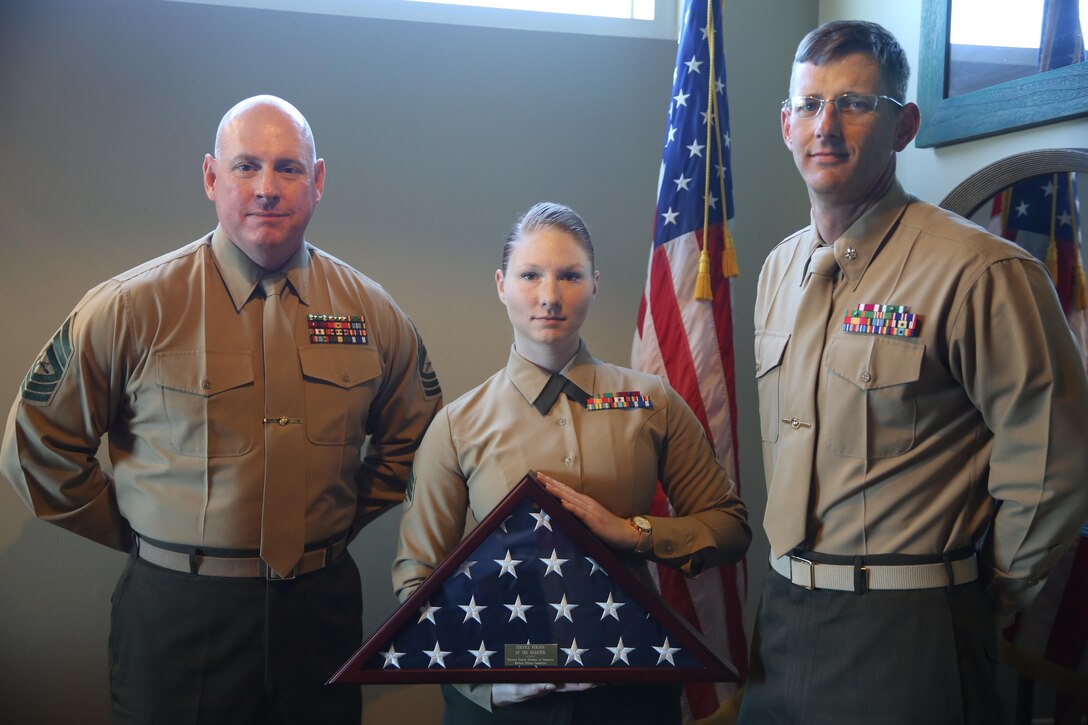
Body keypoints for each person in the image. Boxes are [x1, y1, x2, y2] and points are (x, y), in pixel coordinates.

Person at [0, 95, 443, 724]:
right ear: (211, 177)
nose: (267, 188)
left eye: (289, 168)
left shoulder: (372, 312)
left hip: (319, 613)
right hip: (178, 613)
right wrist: (143, 534)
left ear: (317, 181)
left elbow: (420, 441)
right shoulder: (132, 306)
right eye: (245, 167)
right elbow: (35, 448)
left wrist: (332, 521)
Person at [739, 20, 1088, 725]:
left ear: (904, 126)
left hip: (908, 624)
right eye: (809, 105)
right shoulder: (778, 268)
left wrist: (986, 589)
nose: (826, 126)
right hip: (779, 614)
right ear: (785, 125)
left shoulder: (980, 270)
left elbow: (1057, 456)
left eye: (856, 103)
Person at [392, 201, 751, 724]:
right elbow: (415, 583)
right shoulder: (456, 424)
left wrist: (635, 534)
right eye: (531, 275)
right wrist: (489, 678)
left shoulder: (653, 402)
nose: (550, 296)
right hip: (505, 699)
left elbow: (730, 528)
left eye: (570, 276)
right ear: (501, 283)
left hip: (630, 692)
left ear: (595, 283)